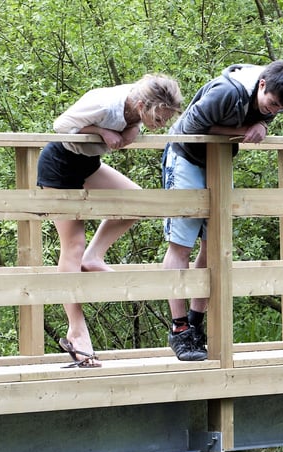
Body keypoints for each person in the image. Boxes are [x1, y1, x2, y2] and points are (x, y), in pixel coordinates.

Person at [162, 60, 283, 361]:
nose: (275, 110)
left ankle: (196, 325)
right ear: (262, 85)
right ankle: (179, 330)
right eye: (273, 103)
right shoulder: (226, 92)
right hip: (186, 155)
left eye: (282, 109)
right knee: (181, 244)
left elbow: (259, 121)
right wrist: (246, 128)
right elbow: (191, 126)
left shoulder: (273, 99)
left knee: (213, 245)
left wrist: (263, 123)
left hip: (218, 159)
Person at [37, 74, 183, 367]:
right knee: (72, 245)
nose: (162, 125)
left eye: (166, 119)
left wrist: (136, 127)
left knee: (135, 202)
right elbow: (60, 125)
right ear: (142, 104)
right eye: (158, 118)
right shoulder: (105, 105)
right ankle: (77, 331)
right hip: (59, 166)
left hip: (87, 165)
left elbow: (135, 121)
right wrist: (99, 131)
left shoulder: (136, 106)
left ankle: (95, 255)